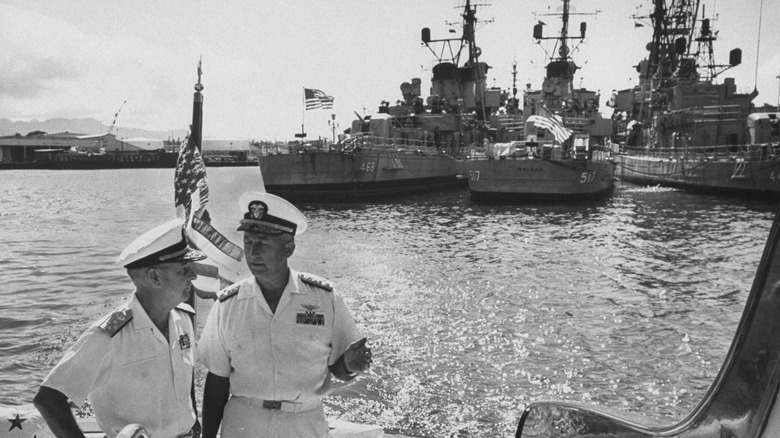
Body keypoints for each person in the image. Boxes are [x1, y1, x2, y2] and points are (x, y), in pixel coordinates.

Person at [197, 191, 372, 438]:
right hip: (244, 423)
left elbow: (339, 369)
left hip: (304, 423)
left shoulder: (324, 298)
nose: (253, 253)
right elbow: (217, 381)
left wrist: (350, 367)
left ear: (288, 248)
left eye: (263, 243)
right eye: (248, 242)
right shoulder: (228, 304)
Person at [33, 218, 206, 438]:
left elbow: (184, 386)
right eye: (184, 269)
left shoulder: (182, 319)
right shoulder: (111, 335)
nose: (194, 275)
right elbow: (48, 398)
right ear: (155, 277)